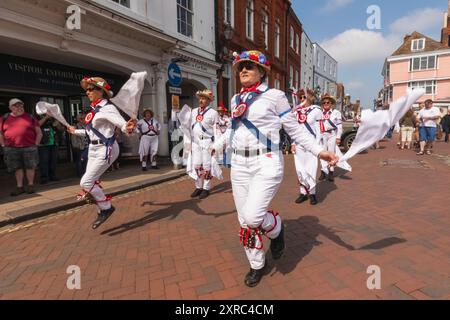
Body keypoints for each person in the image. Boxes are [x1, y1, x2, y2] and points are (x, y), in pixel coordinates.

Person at [212, 50, 338, 287]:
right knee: (243, 220)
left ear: (262, 71)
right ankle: (257, 264)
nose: (244, 70)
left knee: (252, 216)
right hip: (239, 163)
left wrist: (319, 151)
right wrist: (215, 148)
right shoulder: (235, 99)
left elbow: (295, 130)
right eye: (240, 67)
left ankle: (277, 229)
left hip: (266, 161)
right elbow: (232, 129)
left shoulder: (275, 96)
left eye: (249, 66)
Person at [67, 77, 136, 229]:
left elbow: (121, 124)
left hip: (106, 148)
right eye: (87, 89)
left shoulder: (107, 109)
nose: (87, 92)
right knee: (91, 182)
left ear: (101, 91)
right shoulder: (94, 109)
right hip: (93, 148)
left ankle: (106, 208)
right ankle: (101, 208)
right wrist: (74, 131)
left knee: (85, 182)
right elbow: (90, 132)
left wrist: (127, 127)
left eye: (91, 89)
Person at [0, 99, 42, 196]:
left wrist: (36, 143)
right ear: (10, 108)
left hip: (30, 147)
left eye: (21, 106)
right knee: (17, 168)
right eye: (16, 106)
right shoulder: (4, 118)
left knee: (30, 166)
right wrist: (3, 145)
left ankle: (30, 185)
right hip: (11, 148)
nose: (19, 108)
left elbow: (39, 132)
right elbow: (1, 133)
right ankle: (20, 187)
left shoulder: (30, 117)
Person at [291, 88, 322, 205]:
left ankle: (312, 193)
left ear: (310, 98)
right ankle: (303, 192)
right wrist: (293, 143)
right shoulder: (296, 112)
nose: (302, 99)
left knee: (311, 168)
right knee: (300, 168)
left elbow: (319, 130)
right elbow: (293, 130)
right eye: (300, 97)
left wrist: (317, 146)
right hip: (299, 144)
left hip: (311, 144)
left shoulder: (316, 110)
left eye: (304, 97)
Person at [186, 89, 219, 200]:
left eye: (204, 98)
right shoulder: (193, 111)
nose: (201, 100)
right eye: (200, 98)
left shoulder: (213, 113)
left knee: (206, 165)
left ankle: (206, 188)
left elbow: (217, 130)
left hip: (207, 141)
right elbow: (188, 126)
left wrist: (216, 145)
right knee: (196, 165)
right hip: (195, 141)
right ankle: (198, 186)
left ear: (209, 101)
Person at [318, 93, 343, 182]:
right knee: (322, 154)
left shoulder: (336, 113)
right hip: (322, 135)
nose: (326, 104)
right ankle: (323, 172)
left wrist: (338, 137)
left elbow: (339, 126)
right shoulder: (319, 113)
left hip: (332, 134)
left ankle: (331, 172)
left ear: (331, 103)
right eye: (324, 102)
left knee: (331, 153)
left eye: (328, 102)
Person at [38, 114, 64, 184]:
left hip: (54, 143)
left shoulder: (54, 119)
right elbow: (37, 125)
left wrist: (57, 122)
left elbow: (62, 129)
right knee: (44, 161)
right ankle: (44, 177)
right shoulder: (38, 117)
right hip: (43, 144)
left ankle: (52, 175)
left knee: (53, 161)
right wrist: (46, 118)